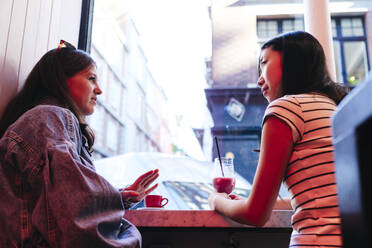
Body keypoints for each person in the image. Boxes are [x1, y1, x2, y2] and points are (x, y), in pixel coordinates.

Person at [0, 40, 159, 247]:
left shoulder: (42, 120)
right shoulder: (52, 117)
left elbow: (57, 198)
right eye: (91, 78)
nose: (99, 90)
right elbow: (74, 208)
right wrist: (114, 201)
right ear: (61, 80)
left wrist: (118, 196)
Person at [209, 31, 348, 247]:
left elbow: (255, 215)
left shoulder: (287, 107)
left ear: (292, 62)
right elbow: (322, 196)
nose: (259, 79)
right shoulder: (334, 107)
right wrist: (257, 202)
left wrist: (216, 201)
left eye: (264, 63)